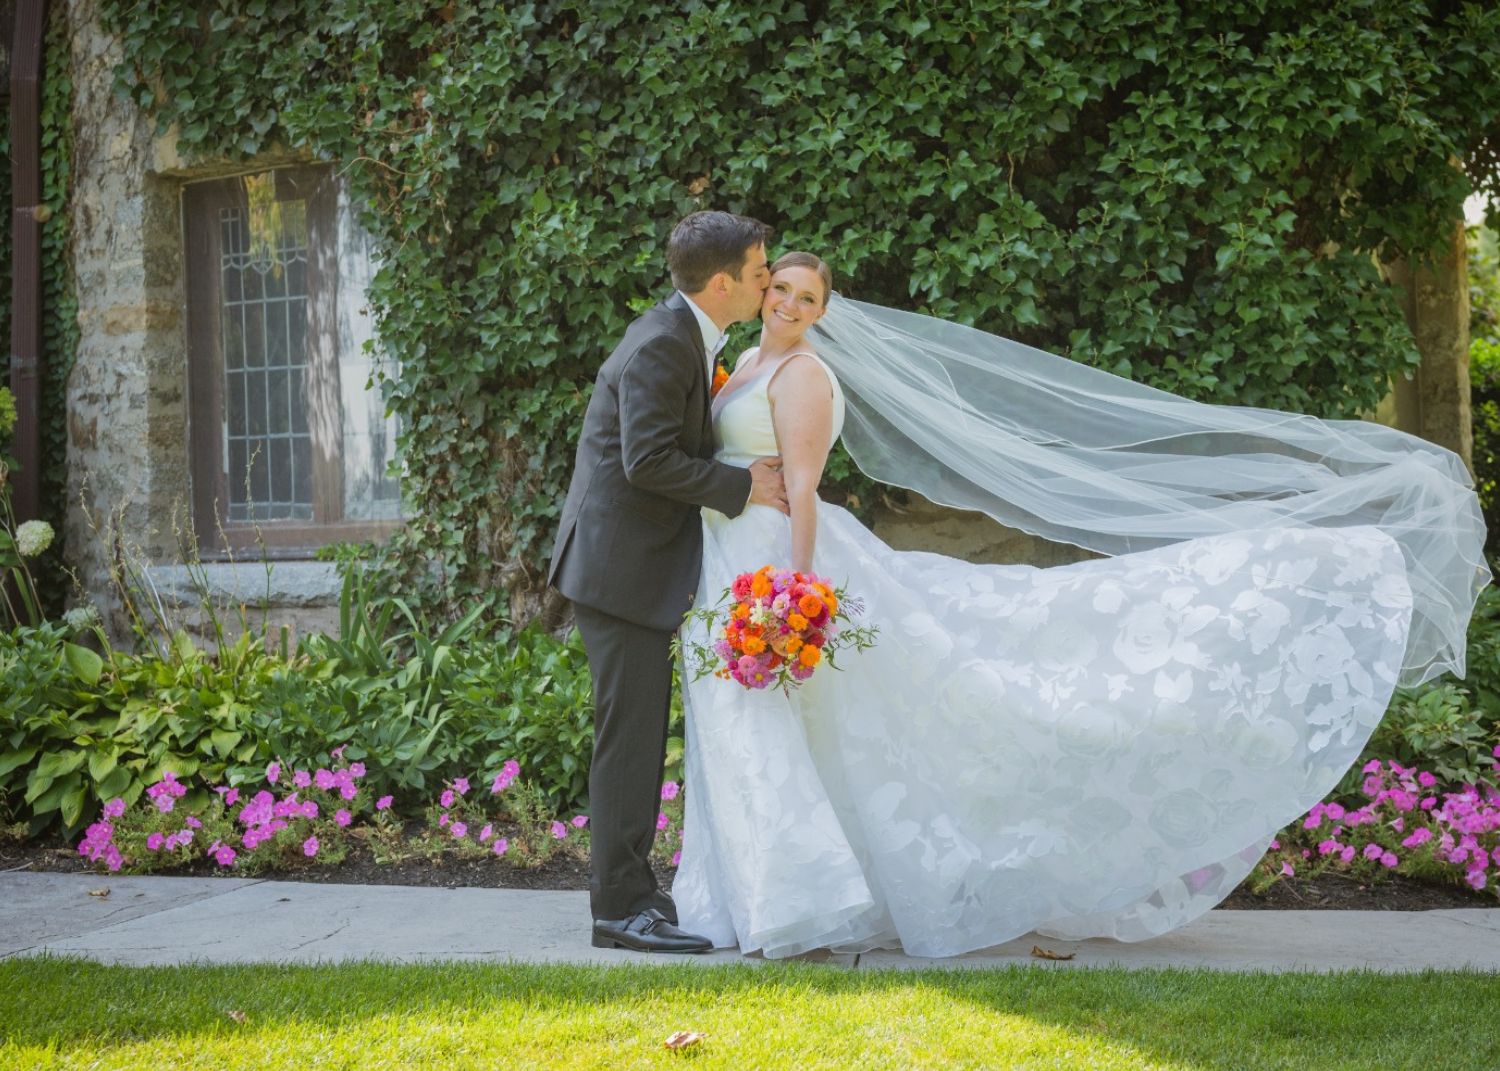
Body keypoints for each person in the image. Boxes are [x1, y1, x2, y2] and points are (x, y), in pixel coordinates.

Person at [670, 251, 1487, 959]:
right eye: (781, 289)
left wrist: (798, 588)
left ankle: (799, 903)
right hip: (733, 555)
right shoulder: (747, 361)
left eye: (807, 297)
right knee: (774, 729)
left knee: (876, 701)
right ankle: (760, 897)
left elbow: (804, 485)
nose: (788, 303)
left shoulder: (804, 375)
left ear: (824, 311)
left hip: (778, 565)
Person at [548, 211, 789, 953]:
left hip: (629, 568)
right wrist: (743, 484)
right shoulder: (663, 342)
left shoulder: (683, 334)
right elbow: (647, 460)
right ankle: (619, 910)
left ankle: (635, 893)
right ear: (721, 283)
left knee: (640, 737)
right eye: (759, 273)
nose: (767, 284)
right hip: (619, 572)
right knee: (629, 743)